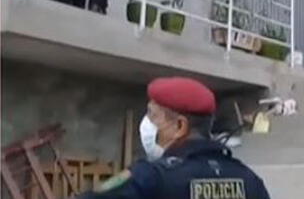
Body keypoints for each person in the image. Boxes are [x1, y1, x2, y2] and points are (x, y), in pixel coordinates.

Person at [78, 76, 270, 199]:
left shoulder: (151, 177)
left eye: (153, 115)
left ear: (180, 126)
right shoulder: (248, 179)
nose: (147, 122)